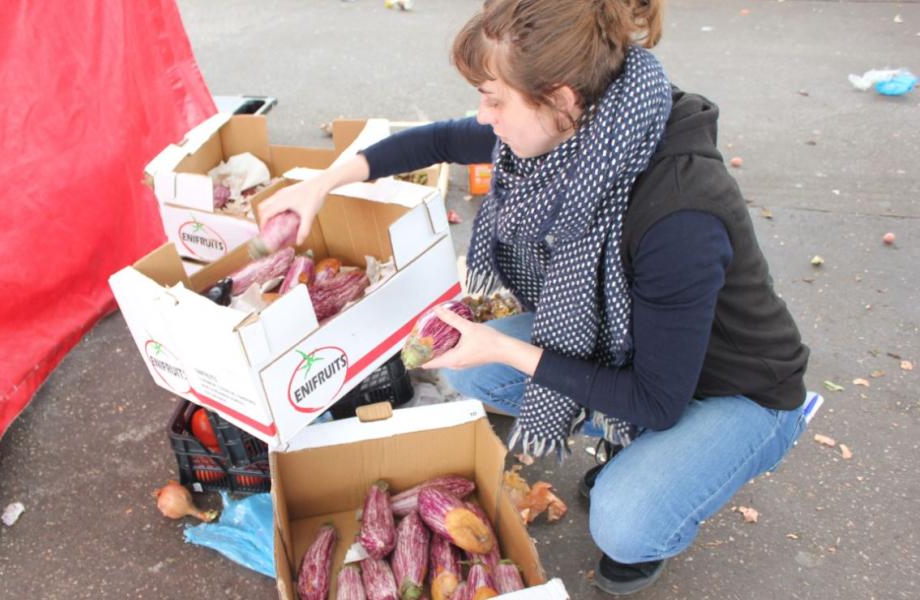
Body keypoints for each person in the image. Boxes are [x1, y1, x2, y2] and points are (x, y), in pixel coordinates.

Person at [260, 0, 810, 594]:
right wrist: (321, 184)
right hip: (633, 350)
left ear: (562, 99)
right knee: (475, 374)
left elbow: (656, 399)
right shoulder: (595, 124)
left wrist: (500, 343)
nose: (483, 115)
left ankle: (662, 495)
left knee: (624, 523)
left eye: (495, 99)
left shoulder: (679, 213)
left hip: (738, 390)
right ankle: (642, 451)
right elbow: (440, 139)